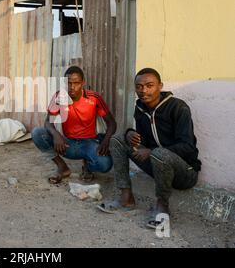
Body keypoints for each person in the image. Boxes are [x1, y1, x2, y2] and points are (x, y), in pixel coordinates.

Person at [97, 68, 201, 229]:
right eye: (139, 86)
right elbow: (144, 139)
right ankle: (126, 197)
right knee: (118, 139)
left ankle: (162, 206)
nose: (143, 90)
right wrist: (131, 134)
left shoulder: (178, 107)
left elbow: (187, 146)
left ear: (160, 86)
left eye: (149, 85)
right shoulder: (140, 108)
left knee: (159, 153)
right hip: (156, 165)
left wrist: (152, 152)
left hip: (184, 172)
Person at [31, 66, 117, 184]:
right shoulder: (59, 97)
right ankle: (62, 167)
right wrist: (56, 135)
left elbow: (111, 123)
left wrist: (106, 141)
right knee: (37, 133)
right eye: (69, 83)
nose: (72, 87)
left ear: (83, 82)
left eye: (76, 83)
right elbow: (48, 122)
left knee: (105, 165)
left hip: (89, 143)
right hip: (67, 144)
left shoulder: (93, 98)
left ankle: (88, 166)